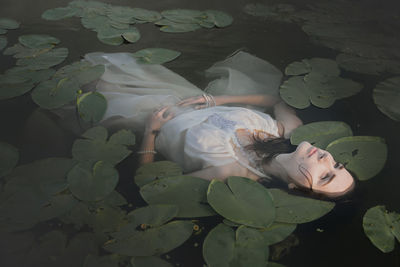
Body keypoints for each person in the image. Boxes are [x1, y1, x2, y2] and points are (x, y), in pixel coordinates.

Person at [84, 50, 355, 198]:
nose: (326, 158)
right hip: (182, 96)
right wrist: (218, 98)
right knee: (108, 63)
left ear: (294, 189)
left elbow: (149, 185)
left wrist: (151, 130)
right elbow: (275, 99)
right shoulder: (291, 131)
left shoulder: (229, 175)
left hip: (145, 116)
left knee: (86, 88)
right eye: (337, 164)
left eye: (325, 175)